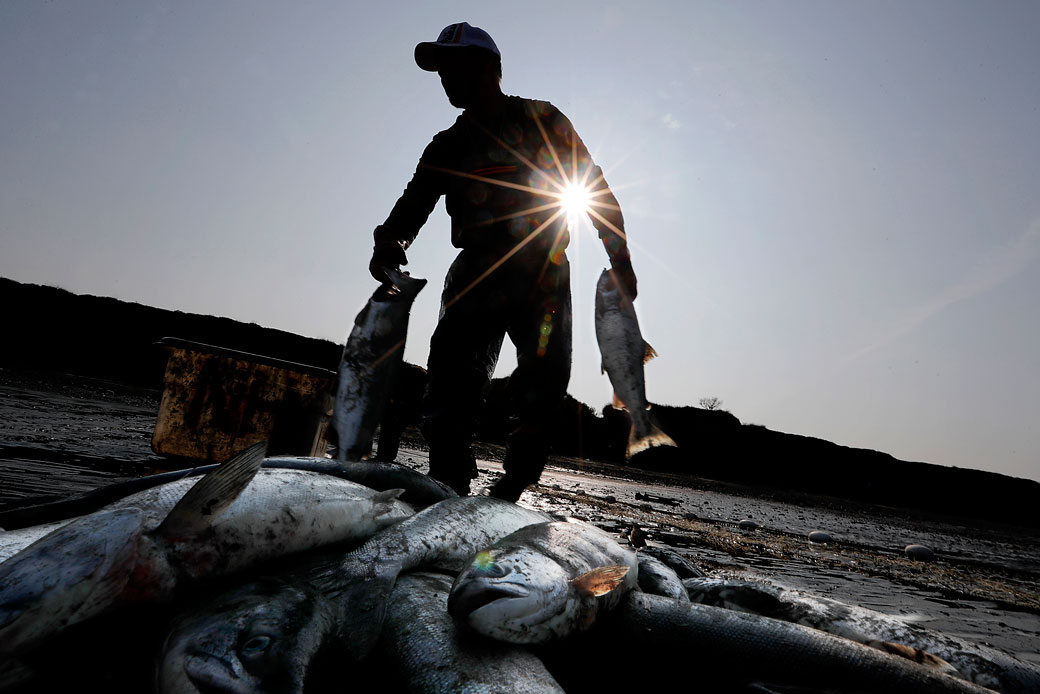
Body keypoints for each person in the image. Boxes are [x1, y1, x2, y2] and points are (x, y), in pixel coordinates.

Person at [368, 22, 637, 501]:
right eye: (440, 71)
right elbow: (413, 205)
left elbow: (593, 186)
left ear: (489, 68)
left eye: (454, 67)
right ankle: (448, 481)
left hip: (543, 270)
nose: (446, 79)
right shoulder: (446, 145)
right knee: (450, 383)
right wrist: (390, 241)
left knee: (543, 383)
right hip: (475, 272)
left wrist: (619, 257)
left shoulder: (542, 119)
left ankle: (512, 488)